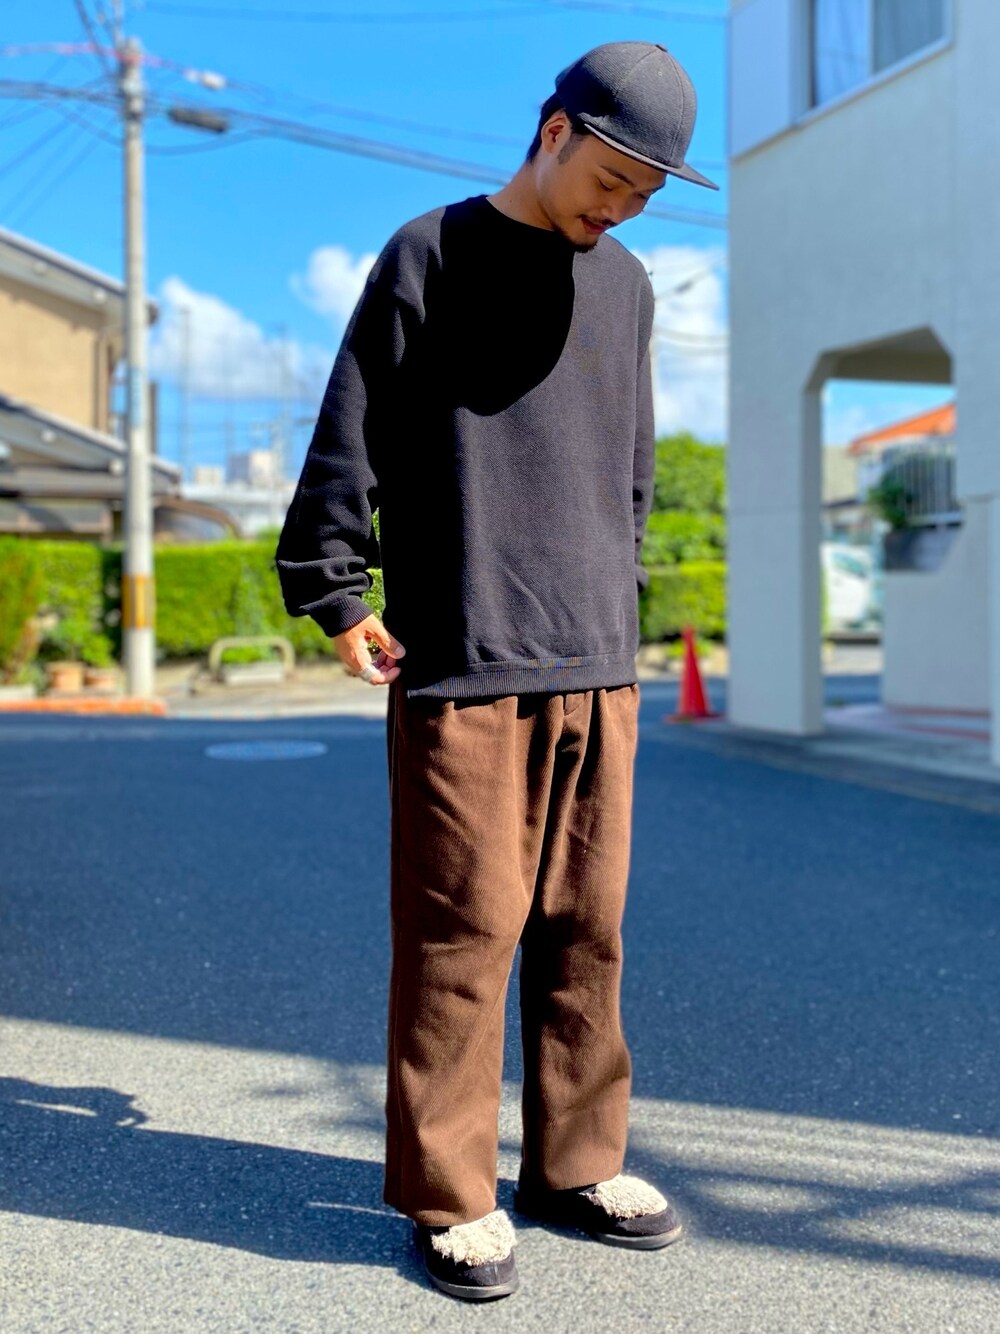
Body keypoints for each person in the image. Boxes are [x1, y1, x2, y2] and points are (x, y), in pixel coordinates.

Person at [275, 40, 718, 1302]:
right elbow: (351, 430)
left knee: (588, 929)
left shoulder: (625, 285)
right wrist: (335, 589)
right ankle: (451, 1191)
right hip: (464, 650)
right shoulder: (428, 252)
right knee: (463, 932)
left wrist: (621, 613)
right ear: (552, 129)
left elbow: (630, 467)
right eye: (613, 179)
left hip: (597, 656)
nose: (621, 208)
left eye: (645, 194)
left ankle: (576, 1164)